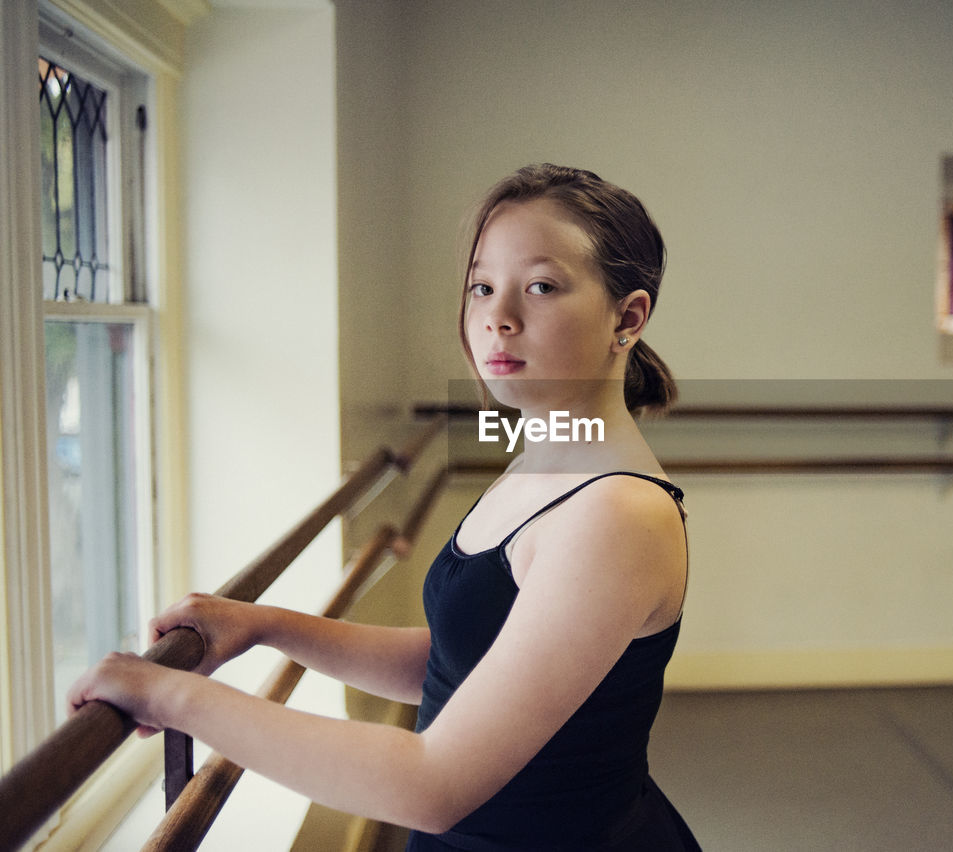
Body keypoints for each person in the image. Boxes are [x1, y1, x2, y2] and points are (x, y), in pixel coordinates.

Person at [69, 164, 701, 850]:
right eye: (482, 287)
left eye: (541, 287)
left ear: (627, 317)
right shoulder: (548, 461)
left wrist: (167, 695)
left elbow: (432, 786)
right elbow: (459, 661)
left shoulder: (617, 515)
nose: (498, 317)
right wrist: (262, 625)